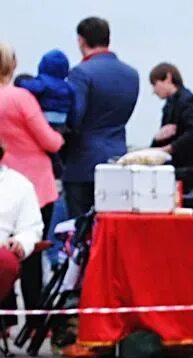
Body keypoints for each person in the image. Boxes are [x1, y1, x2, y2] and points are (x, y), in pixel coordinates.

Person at [0, 45, 63, 330]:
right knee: (31, 255)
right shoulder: (21, 98)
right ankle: (35, 321)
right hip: (34, 184)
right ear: (12, 66)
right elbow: (50, 141)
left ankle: (6, 318)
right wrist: (62, 138)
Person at [64, 17, 140, 218]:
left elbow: (74, 118)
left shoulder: (80, 73)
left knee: (79, 231)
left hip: (82, 162)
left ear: (81, 40)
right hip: (117, 158)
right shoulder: (131, 74)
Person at [0, 139, 45, 331]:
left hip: (2, 247)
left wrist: (20, 242)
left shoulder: (20, 185)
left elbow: (32, 227)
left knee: (6, 262)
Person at [148, 63, 193, 191]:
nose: (154, 91)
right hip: (176, 171)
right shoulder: (169, 106)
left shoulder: (189, 103)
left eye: (155, 84)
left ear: (168, 78)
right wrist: (157, 139)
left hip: (192, 174)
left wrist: (169, 149)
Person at [16, 50, 74, 138]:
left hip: (46, 121)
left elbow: (31, 87)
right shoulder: (68, 87)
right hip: (62, 123)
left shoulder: (43, 82)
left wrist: (20, 81)